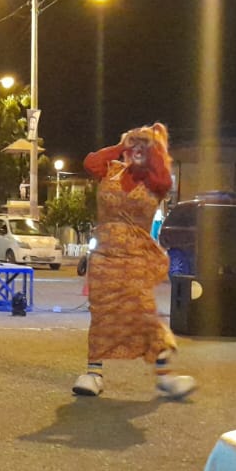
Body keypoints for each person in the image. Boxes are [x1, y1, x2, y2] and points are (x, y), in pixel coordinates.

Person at [70, 123, 195, 399]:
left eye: (143, 147)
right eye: (132, 145)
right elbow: (90, 162)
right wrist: (121, 145)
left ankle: (165, 377)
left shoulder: (154, 182)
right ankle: (93, 373)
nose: (136, 150)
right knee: (101, 314)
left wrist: (153, 145)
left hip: (136, 257)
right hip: (104, 257)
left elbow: (164, 176)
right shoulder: (111, 171)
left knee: (144, 314)